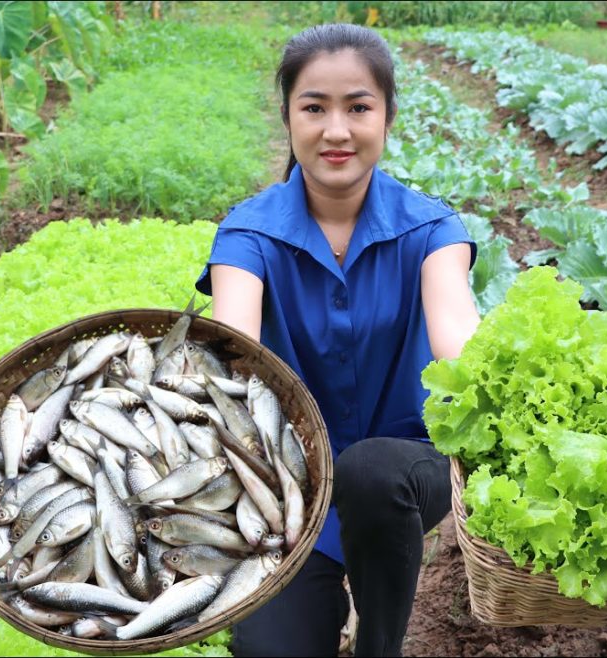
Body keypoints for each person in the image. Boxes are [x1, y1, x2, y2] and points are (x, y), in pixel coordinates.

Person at [194, 23, 481, 657]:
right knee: (271, 650)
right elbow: (231, 343)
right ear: (288, 117)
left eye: (358, 107)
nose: (336, 131)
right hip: (288, 484)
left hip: (404, 470)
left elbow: (459, 336)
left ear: (387, 115)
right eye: (314, 108)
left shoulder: (433, 230)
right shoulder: (248, 236)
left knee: (372, 473)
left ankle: (381, 644)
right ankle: (325, 588)